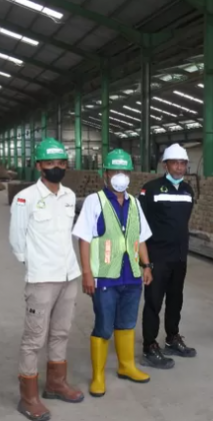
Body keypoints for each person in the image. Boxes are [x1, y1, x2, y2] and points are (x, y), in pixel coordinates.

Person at [9, 138, 83, 421]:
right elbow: (17, 241)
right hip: (42, 279)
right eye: (50, 163)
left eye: (61, 163)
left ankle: (56, 383)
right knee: (33, 339)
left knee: (61, 332)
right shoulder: (25, 198)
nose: (56, 167)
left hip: (68, 276)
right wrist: (36, 264)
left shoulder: (68, 196)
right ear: (39, 165)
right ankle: (28, 397)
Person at [72, 148, 154, 397]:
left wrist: (147, 265)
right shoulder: (93, 201)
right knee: (104, 326)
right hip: (105, 276)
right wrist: (87, 273)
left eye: (124, 171)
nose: (121, 176)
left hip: (131, 275)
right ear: (105, 174)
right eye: (115, 171)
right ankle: (98, 376)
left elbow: (140, 237)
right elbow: (84, 239)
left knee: (127, 323)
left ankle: (126, 366)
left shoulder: (135, 203)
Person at [139, 144, 196, 369]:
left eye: (183, 163)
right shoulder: (150, 189)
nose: (179, 167)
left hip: (179, 256)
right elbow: (140, 224)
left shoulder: (188, 190)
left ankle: (172, 337)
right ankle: (150, 345)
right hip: (157, 256)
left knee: (176, 299)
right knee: (154, 301)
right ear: (166, 165)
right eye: (175, 163)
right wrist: (145, 262)